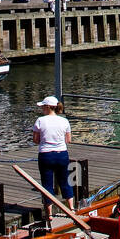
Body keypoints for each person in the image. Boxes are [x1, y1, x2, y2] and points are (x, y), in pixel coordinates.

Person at [32, 96, 72, 227]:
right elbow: (68, 140)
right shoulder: (64, 121)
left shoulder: (40, 121)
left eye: (43, 106)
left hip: (46, 155)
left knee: (47, 184)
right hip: (62, 154)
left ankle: (49, 214)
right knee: (65, 181)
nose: (42, 109)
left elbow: (36, 140)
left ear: (47, 107)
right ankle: (71, 209)